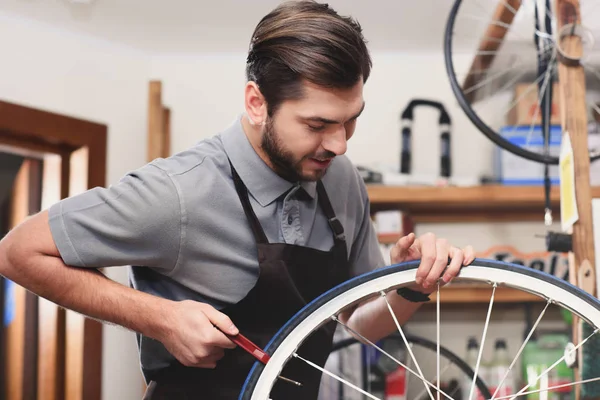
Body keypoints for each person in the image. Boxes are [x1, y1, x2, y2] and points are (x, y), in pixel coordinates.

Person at [0, 1, 475, 399]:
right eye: (317, 125)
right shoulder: (179, 191)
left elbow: (352, 326)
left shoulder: (341, 179)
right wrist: (160, 318)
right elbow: (18, 252)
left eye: (350, 119)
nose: (340, 144)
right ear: (256, 102)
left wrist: (413, 285)